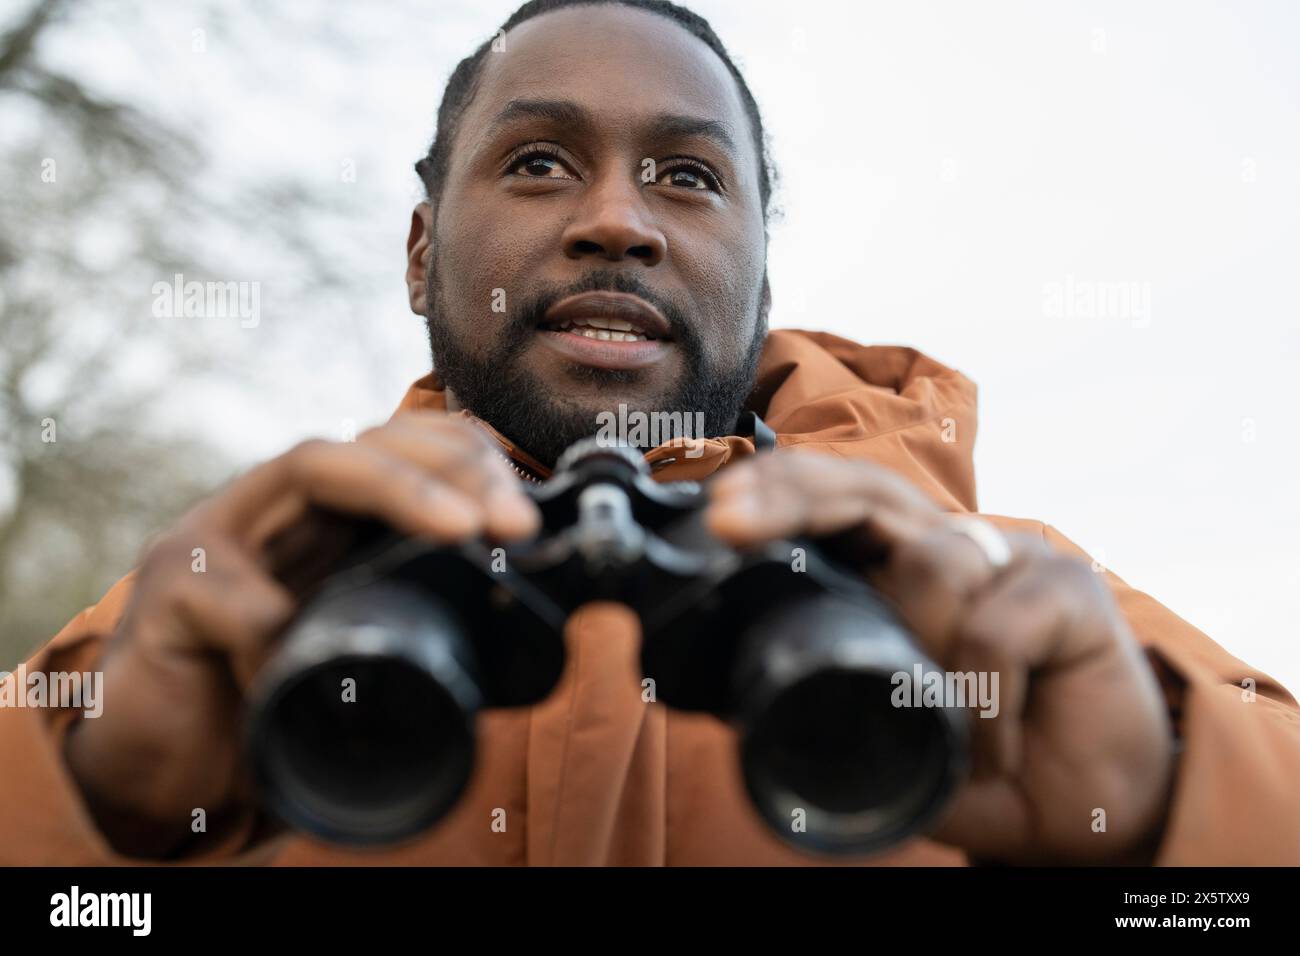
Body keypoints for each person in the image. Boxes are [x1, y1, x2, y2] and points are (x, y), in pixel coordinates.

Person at [1, 0, 1296, 867]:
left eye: (688, 176)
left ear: (764, 281)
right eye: (540, 163)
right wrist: (95, 806)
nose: (618, 220)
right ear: (419, 255)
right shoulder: (249, 600)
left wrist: (1152, 807)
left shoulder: (997, 601)